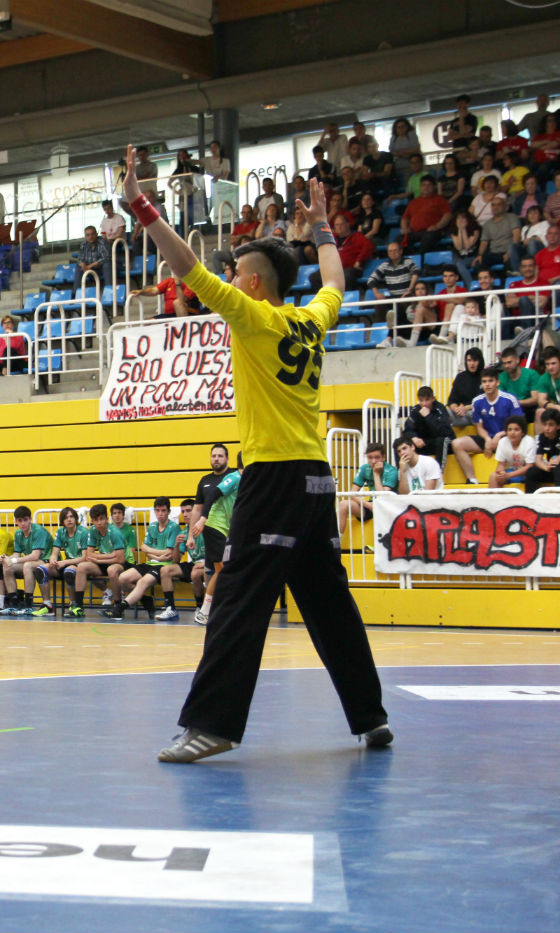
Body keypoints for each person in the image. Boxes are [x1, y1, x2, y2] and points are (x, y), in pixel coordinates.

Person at [118, 153, 390, 762]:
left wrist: (141, 205)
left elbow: (183, 265)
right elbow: (334, 283)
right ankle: (371, 717)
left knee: (238, 598)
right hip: (317, 479)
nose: (230, 277)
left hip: (272, 479)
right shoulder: (310, 320)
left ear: (254, 282)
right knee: (329, 602)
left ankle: (213, 725)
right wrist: (322, 226)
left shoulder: (254, 317)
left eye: (237, 270)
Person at [109, 496, 180, 621]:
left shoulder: (174, 527)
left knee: (142, 582)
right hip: (149, 563)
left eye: (163, 510)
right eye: (158, 510)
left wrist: (152, 552)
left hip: (164, 566)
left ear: (169, 512)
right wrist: (157, 553)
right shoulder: (152, 526)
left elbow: (169, 554)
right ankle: (146, 600)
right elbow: (144, 548)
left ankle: (120, 607)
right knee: (122, 579)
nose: (161, 514)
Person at [191, 455, 241, 626]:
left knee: (223, 571)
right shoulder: (235, 477)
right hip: (214, 526)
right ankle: (205, 611)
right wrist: (203, 518)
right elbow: (213, 493)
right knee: (222, 571)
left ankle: (217, 610)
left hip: (224, 530)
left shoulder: (245, 480)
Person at [452, 366, 524, 484]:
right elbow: (479, 427)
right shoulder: (477, 401)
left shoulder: (509, 399)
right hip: (488, 437)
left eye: (490, 381)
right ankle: (472, 479)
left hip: (508, 438)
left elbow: (519, 427)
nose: (487, 385)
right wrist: (487, 439)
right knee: (457, 443)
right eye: (484, 382)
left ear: (497, 382)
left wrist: (499, 437)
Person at [0, 505, 54, 616]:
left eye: (25, 520)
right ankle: (13, 604)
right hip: (35, 561)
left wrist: (14, 560)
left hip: (48, 561)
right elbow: (16, 554)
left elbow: (35, 556)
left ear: (30, 519)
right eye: (20, 521)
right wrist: (6, 558)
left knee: (27, 565)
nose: (23, 523)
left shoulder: (39, 531)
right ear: (16, 521)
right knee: (7, 566)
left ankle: (28, 605)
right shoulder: (18, 534)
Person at [337, 442, 398, 532]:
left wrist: (376, 474)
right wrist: (368, 505)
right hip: (371, 505)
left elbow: (382, 497)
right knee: (343, 504)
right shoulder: (364, 468)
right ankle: (337, 542)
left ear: (383, 457)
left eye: (377, 457)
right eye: (370, 457)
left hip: (387, 506)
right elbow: (352, 493)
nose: (373, 461)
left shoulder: (392, 471)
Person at [402, 386, 452, 464]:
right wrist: (414, 437)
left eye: (427, 400)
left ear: (433, 398)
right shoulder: (416, 410)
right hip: (424, 443)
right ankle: (401, 472)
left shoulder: (440, 408)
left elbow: (445, 432)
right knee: (399, 443)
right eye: (421, 400)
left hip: (443, 442)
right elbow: (407, 430)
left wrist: (429, 416)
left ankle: (438, 473)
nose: (424, 404)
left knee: (441, 441)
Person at [489, 415, 536, 488]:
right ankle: (493, 499)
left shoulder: (529, 441)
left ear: (523, 432)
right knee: (494, 476)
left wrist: (508, 475)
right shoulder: (502, 441)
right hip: (510, 472)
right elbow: (501, 464)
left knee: (531, 474)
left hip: (527, 474)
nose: (512, 432)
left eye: (516, 430)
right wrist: (501, 473)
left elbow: (529, 466)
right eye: (509, 430)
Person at [525, 410, 560, 492]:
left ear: (558, 426)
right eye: (544, 424)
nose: (547, 428)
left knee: (557, 468)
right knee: (531, 471)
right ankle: (529, 500)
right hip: (551, 468)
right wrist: (546, 467)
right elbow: (538, 459)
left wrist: (557, 459)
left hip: (557, 469)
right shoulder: (542, 437)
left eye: (551, 425)